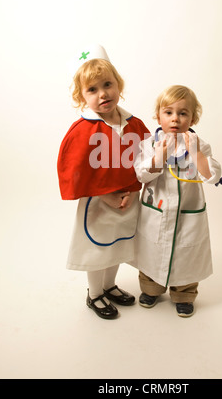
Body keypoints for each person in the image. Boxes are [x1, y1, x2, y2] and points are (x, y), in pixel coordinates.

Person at [57, 45, 150, 320]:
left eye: (107, 84)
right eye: (92, 89)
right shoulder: (83, 130)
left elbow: (145, 159)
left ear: (118, 85)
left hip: (127, 200)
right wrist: (103, 195)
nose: (103, 94)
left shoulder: (134, 124)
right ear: (81, 97)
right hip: (98, 204)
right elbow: (73, 168)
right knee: (97, 248)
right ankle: (95, 293)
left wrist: (135, 189)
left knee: (119, 245)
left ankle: (110, 286)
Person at [133, 85, 222, 317]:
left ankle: (184, 293)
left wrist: (196, 154)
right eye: (169, 112)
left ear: (193, 117)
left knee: (187, 255)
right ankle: (151, 289)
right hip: (157, 212)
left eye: (183, 113)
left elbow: (212, 176)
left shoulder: (199, 145)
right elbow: (142, 174)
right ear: (158, 115)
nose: (175, 119)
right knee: (151, 250)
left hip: (188, 214)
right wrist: (159, 156)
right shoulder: (149, 145)